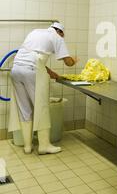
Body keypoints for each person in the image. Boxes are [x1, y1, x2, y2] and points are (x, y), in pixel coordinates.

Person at [8, 22, 77, 155]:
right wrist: (74, 60)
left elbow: (34, 59)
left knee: (24, 108)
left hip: (16, 69)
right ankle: (44, 146)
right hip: (31, 70)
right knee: (41, 107)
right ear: (60, 32)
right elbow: (68, 62)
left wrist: (52, 74)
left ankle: (27, 146)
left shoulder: (35, 32)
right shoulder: (57, 37)